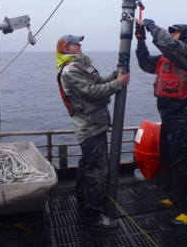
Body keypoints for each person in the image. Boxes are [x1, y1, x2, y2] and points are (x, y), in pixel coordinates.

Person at [55, 34, 130, 229]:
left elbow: (99, 82)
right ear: (66, 49)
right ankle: (94, 214)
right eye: (75, 44)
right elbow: (92, 91)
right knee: (97, 170)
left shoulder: (79, 67)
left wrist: (116, 74)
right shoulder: (70, 71)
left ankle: (83, 199)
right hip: (90, 126)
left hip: (95, 124)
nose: (80, 45)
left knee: (87, 164)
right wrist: (118, 84)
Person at [135, 20, 187, 226]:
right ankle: (174, 197)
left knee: (181, 164)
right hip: (168, 118)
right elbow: (146, 63)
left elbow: (170, 45)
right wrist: (141, 41)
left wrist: (152, 28)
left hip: (184, 117)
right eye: (170, 32)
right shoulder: (166, 59)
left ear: (186, 37)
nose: (172, 35)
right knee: (167, 160)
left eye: (176, 32)